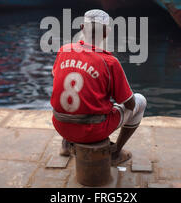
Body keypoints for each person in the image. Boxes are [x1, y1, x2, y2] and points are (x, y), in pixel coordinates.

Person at [50, 9, 147, 166]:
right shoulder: (110, 62)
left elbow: (55, 76)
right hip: (92, 131)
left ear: (82, 27)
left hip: (60, 124)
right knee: (140, 101)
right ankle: (115, 153)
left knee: (73, 95)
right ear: (106, 32)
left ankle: (66, 144)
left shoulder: (63, 50)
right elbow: (130, 104)